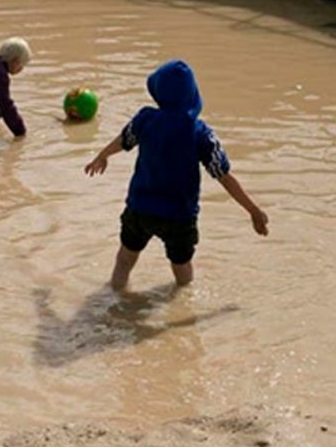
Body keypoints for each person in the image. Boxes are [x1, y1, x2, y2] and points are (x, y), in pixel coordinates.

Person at [84, 59, 268, 290]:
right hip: (178, 216)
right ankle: (183, 308)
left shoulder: (146, 119)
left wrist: (103, 155)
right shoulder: (200, 133)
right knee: (182, 269)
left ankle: (115, 295)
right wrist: (253, 210)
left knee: (125, 259)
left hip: (139, 209)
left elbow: (124, 140)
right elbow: (223, 176)